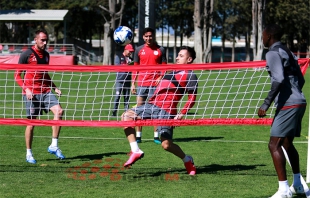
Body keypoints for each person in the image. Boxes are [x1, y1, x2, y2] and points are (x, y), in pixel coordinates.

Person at [122, 46, 197, 175]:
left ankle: (187, 159)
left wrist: (181, 113)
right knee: (126, 116)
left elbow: (192, 98)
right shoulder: (170, 72)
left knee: (166, 145)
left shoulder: (190, 75)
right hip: (152, 106)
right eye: (178, 55)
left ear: (189, 59)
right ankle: (135, 150)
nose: (177, 58)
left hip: (166, 111)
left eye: (181, 55)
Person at [258, 24, 307, 198]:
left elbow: (278, 78)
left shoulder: (272, 52)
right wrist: (294, 93)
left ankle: (284, 190)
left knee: (274, 144)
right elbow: (301, 79)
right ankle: (298, 185)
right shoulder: (288, 51)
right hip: (300, 101)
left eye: (263, 35)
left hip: (289, 103)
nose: (262, 38)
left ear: (269, 36)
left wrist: (266, 103)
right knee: (286, 143)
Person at [14, 29, 65, 164]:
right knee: (31, 124)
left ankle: (54, 145)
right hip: (32, 94)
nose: (45, 42)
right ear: (35, 40)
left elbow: (45, 74)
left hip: (46, 91)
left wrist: (54, 87)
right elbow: (17, 75)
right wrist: (26, 89)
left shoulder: (47, 55)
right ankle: (29, 153)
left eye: (46, 40)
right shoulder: (26, 54)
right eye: (42, 39)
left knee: (59, 111)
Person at [131, 27, 167, 144]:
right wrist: (133, 83)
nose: (148, 38)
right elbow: (135, 68)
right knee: (139, 110)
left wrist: (161, 77)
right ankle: (138, 136)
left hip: (155, 85)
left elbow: (165, 67)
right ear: (143, 37)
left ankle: (156, 136)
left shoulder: (161, 49)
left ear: (153, 36)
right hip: (142, 84)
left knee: (155, 111)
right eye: (146, 36)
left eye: (150, 36)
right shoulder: (139, 50)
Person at [112, 44, 135, 116]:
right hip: (120, 80)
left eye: (131, 51)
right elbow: (117, 67)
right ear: (125, 49)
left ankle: (126, 113)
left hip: (127, 81)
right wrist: (127, 66)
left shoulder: (130, 59)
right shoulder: (118, 56)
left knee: (127, 97)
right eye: (129, 51)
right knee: (117, 97)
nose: (130, 53)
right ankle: (114, 112)